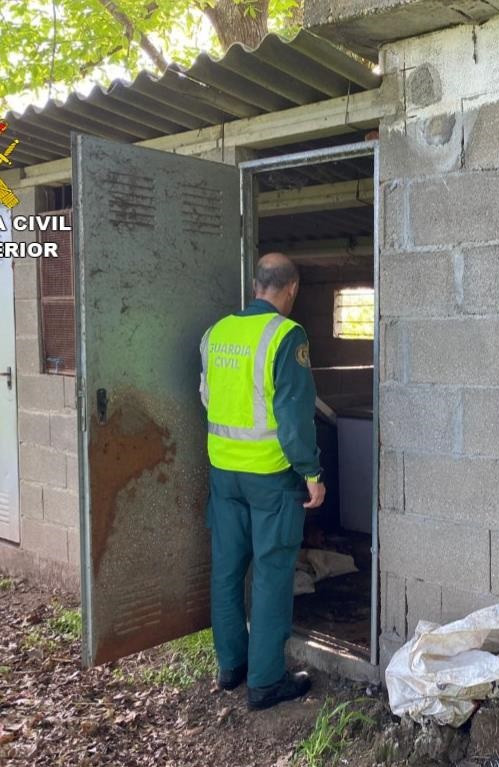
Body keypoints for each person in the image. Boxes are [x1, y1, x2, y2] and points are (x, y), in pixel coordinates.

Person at [199, 252, 325, 711]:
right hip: (270, 478)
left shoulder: (216, 333)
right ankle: (266, 682)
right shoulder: (286, 335)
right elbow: (294, 419)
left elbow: (208, 398)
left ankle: (230, 667)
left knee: (228, 572)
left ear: (256, 285)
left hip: (223, 473)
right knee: (272, 575)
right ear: (290, 290)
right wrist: (312, 473)